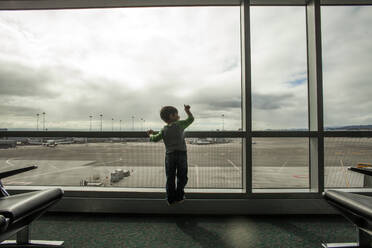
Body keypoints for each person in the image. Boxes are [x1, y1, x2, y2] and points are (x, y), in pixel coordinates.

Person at [147, 104, 194, 205]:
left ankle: (170, 198)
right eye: (176, 113)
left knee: (170, 177)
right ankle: (179, 195)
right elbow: (191, 119)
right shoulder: (179, 124)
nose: (178, 115)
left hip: (170, 155)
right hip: (181, 154)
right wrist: (187, 110)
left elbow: (154, 139)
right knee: (182, 176)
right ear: (171, 116)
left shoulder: (163, 130)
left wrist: (150, 134)